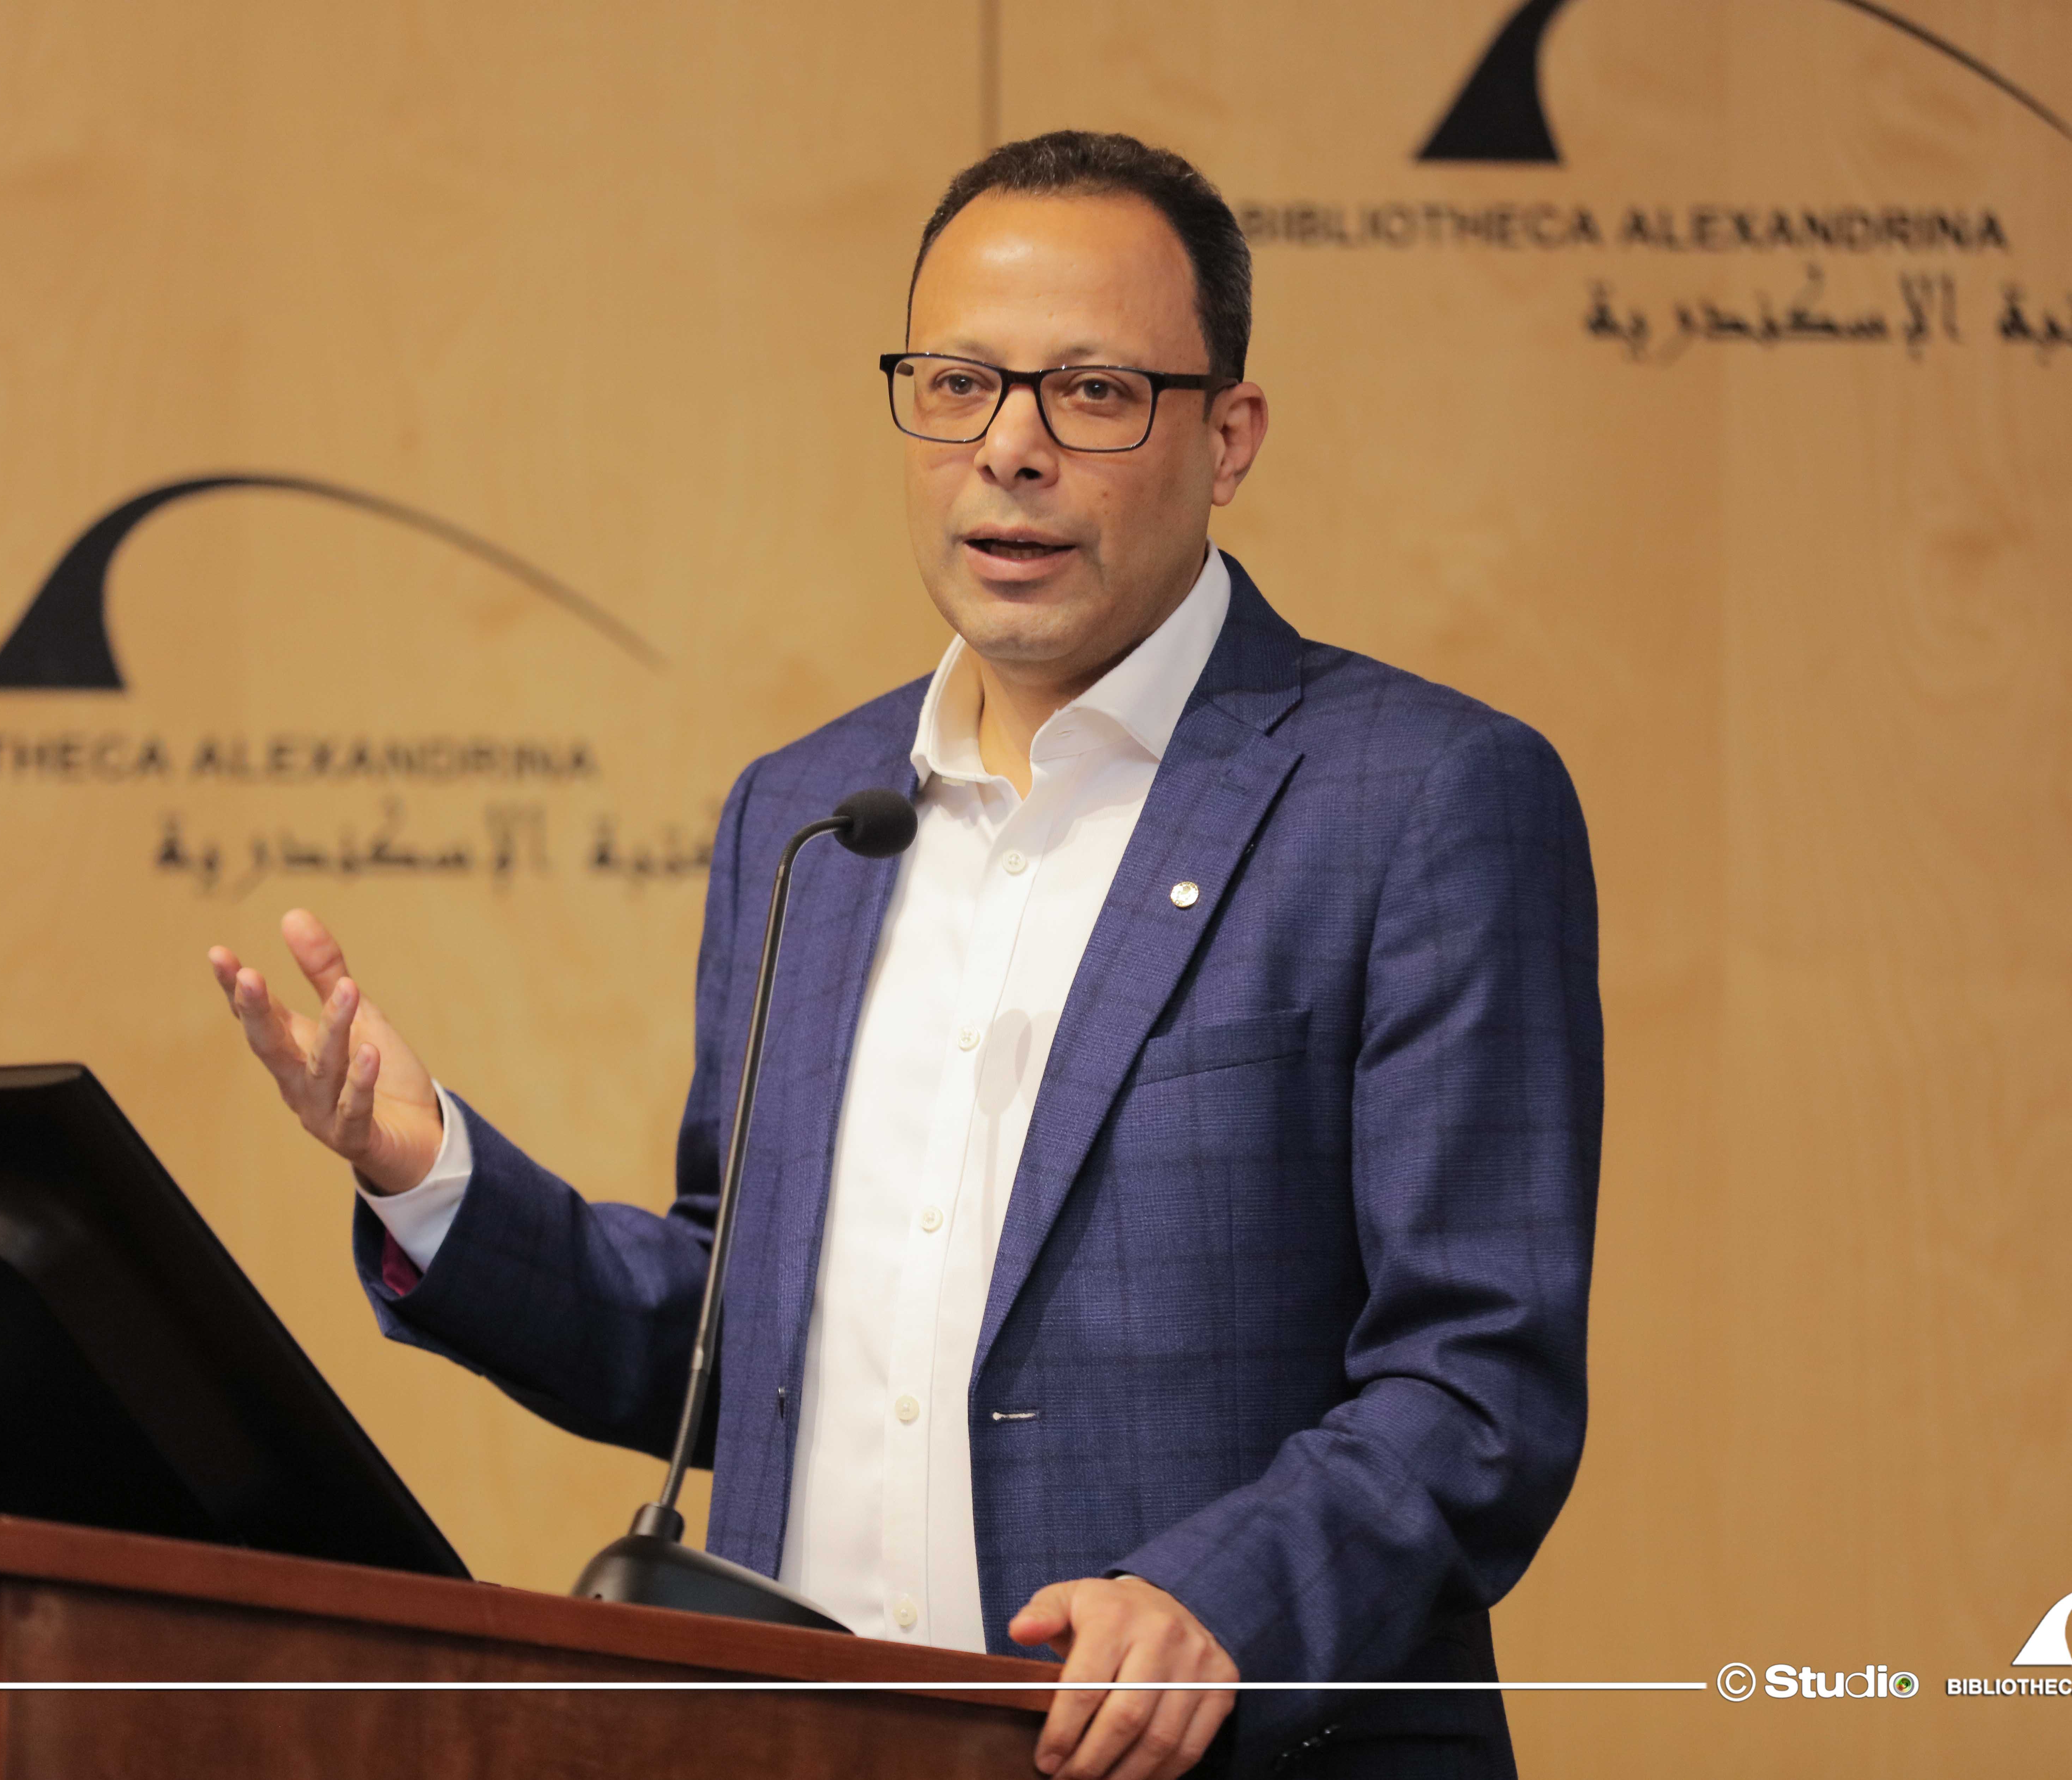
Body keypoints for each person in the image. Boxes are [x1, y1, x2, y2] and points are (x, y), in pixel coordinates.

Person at [210, 130, 1600, 1780]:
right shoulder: (808, 812)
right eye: (956, 386)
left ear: (1226, 439)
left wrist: (1215, 1602)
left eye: (1092, 394)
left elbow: (1476, 1380)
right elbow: (734, 1347)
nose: (1008, 451)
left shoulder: (1417, 797)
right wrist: (433, 1175)